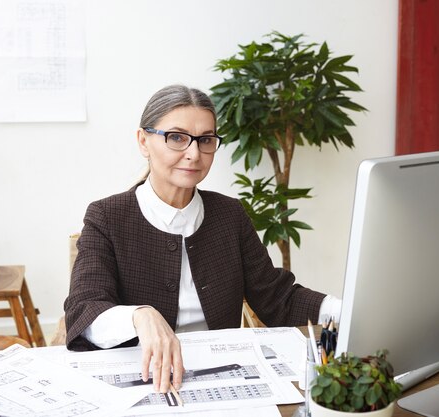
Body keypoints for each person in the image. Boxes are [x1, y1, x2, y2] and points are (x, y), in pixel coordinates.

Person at [64, 84, 341, 394]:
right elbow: (84, 309)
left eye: (205, 140)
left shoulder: (229, 214)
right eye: (177, 138)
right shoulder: (108, 216)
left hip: (223, 382)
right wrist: (139, 316)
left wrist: (349, 310)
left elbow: (278, 299)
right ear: (143, 141)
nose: (193, 154)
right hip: (141, 382)